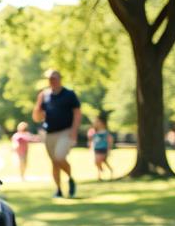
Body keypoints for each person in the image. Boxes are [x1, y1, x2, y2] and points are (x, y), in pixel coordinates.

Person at [32, 69, 82, 198]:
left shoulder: (69, 94)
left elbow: (77, 113)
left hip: (65, 131)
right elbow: (37, 117)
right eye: (50, 79)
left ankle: (70, 178)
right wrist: (37, 109)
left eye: (54, 78)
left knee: (60, 157)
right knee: (54, 162)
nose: (52, 81)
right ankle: (58, 189)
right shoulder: (44, 95)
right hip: (49, 133)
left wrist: (74, 131)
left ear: (60, 79)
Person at [88, 116, 114, 180]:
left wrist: (109, 149)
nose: (96, 123)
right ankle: (102, 174)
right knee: (101, 162)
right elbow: (91, 140)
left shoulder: (105, 132)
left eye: (98, 121)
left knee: (98, 161)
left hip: (103, 149)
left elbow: (110, 140)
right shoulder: (95, 132)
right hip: (97, 148)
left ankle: (102, 172)